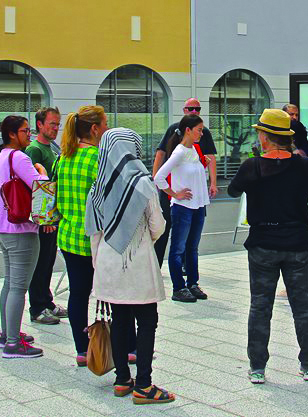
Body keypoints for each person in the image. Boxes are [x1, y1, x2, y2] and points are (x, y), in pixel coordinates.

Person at [228, 108, 308, 384]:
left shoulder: (252, 166)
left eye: (260, 132)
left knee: (260, 306)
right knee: (303, 305)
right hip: (298, 243)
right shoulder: (304, 165)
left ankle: (257, 367)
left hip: (263, 244)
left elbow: (233, 190)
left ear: (265, 137)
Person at [87, 128, 175, 405]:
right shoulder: (143, 183)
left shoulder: (98, 187)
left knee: (120, 320)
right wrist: (143, 240)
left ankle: (122, 379)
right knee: (147, 321)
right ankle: (144, 385)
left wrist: (100, 263)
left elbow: (94, 233)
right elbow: (158, 225)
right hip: (138, 262)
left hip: (108, 262)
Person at [0, 115, 48, 358]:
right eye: (25, 131)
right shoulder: (19, 157)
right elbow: (40, 186)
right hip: (20, 227)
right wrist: (42, 171)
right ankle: (13, 343)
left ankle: (7, 334)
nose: (29, 135)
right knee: (18, 287)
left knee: (10, 283)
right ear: (12, 134)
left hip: (2, 226)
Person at [56, 105, 107, 365]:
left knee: (78, 293)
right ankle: (119, 345)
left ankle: (82, 349)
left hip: (68, 235)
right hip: (95, 239)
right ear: (95, 129)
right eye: (105, 124)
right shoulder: (98, 158)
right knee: (109, 293)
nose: (107, 128)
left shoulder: (64, 157)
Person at [151, 98, 218, 268]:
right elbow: (161, 153)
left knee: (190, 237)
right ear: (184, 110)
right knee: (166, 230)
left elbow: (209, 158)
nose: (194, 111)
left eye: (197, 108)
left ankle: (187, 268)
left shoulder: (200, 138)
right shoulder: (176, 137)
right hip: (172, 191)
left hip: (192, 194)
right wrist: (156, 179)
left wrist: (213, 183)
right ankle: (157, 267)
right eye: (190, 108)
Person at [153, 114, 210, 303]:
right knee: (178, 249)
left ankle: (192, 283)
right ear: (188, 130)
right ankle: (178, 287)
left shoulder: (193, 149)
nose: (202, 133)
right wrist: (175, 194)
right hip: (183, 208)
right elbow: (159, 177)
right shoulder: (179, 152)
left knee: (192, 248)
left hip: (197, 206)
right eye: (199, 130)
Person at [26, 106, 67, 325]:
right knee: (40, 263)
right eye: (52, 124)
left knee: (49, 260)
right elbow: (37, 187)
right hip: (45, 218)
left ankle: (47, 301)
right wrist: (45, 219)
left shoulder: (50, 148)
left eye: (58, 124)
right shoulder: (34, 150)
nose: (56, 128)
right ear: (40, 124)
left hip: (53, 215)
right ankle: (37, 306)